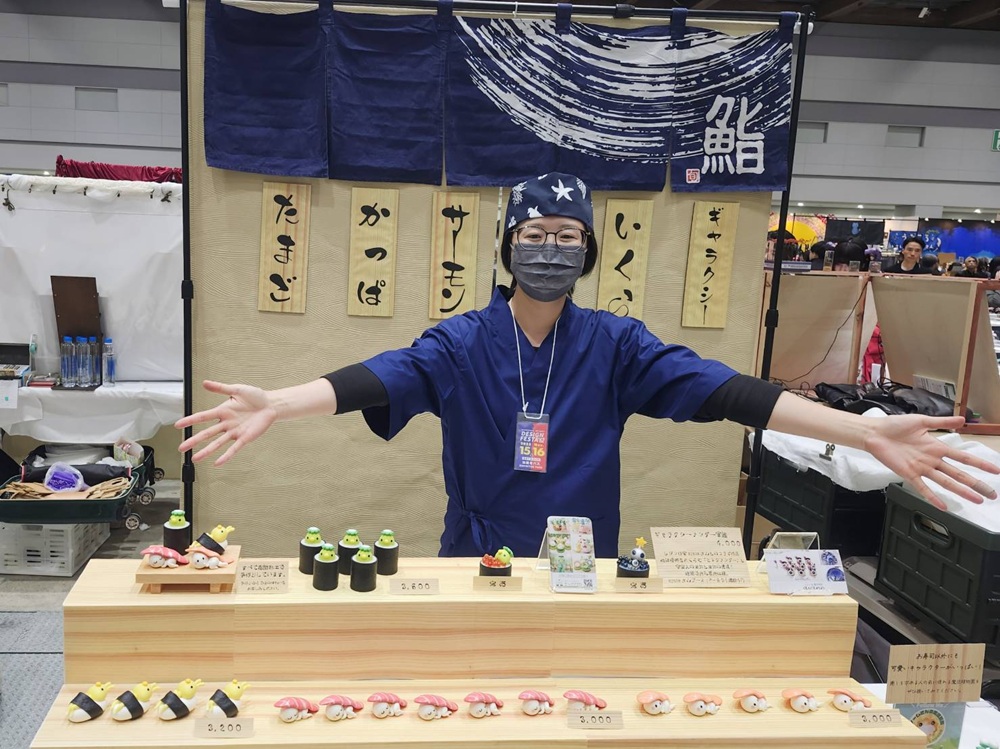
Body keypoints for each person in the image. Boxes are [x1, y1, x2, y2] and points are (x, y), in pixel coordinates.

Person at [176, 172, 998, 558]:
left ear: (588, 252)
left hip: (582, 561)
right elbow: (378, 376)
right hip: (477, 558)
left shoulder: (617, 345)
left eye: (567, 237)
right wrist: (277, 402)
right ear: (508, 248)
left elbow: (731, 393)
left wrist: (862, 430)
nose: (550, 249)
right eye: (534, 236)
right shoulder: (461, 343)